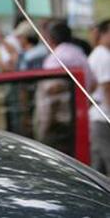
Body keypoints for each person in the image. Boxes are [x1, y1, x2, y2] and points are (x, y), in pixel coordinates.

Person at [35, 20, 95, 154]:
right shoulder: (79, 53)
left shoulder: (55, 58)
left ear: (50, 38)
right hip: (81, 118)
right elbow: (93, 82)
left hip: (58, 123)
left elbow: (51, 90)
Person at [88, 19, 110, 175]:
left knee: (99, 165)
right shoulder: (104, 57)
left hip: (97, 115)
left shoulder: (98, 54)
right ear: (104, 33)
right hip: (103, 116)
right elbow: (107, 89)